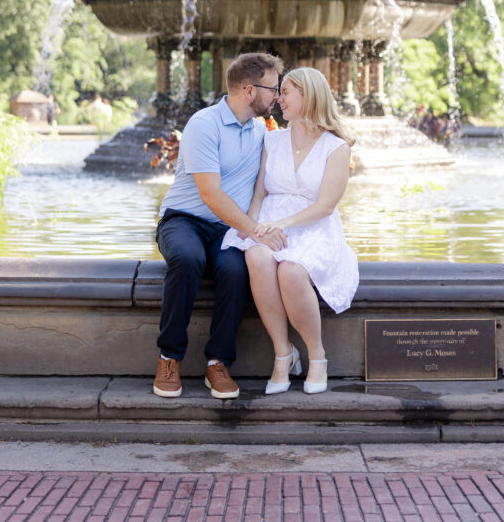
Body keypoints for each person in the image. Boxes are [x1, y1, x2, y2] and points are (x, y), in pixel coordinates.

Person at [153, 51, 285, 401]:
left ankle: (217, 362)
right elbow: (210, 194)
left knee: (236, 269)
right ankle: (169, 357)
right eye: (273, 88)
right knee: (187, 258)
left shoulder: (261, 131)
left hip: (228, 230)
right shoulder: (204, 124)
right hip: (184, 220)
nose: (278, 96)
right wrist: (256, 231)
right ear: (248, 90)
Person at [222, 67, 358, 395]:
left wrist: (282, 224)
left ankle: (317, 356)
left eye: (286, 92)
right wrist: (252, 229)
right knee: (257, 257)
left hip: (313, 227)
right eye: (279, 92)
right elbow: (259, 193)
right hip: (269, 220)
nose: (278, 99)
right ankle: (283, 354)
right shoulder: (272, 139)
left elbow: (326, 205)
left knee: (292, 272)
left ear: (308, 96)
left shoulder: (335, 147)